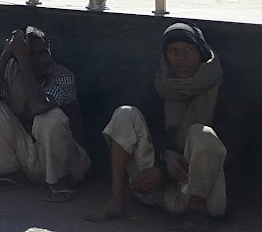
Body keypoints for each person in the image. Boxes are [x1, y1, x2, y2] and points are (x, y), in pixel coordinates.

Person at [88, 24, 227, 225]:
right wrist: (165, 156)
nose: (182, 58)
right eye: (174, 50)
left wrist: (165, 172)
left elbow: (228, 154)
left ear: (202, 54)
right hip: (158, 190)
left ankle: (196, 219)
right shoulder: (160, 85)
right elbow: (152, 129)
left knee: (201, 134)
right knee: (125, 114)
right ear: (165, 56)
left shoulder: (224, 92)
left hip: (205, 197)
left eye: (189, 50)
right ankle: (117, 201)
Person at [0, 27, 88, 202]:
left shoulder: (63, 76)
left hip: (69, 162)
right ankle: (10, 174)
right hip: (27, 157)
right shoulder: (13, 71)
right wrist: (5, 56)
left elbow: (38, 106)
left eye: (43, 53)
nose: (39, 60)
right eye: (31, 55)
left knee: (50, 116)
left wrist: (25, 63)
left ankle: (60, 184)